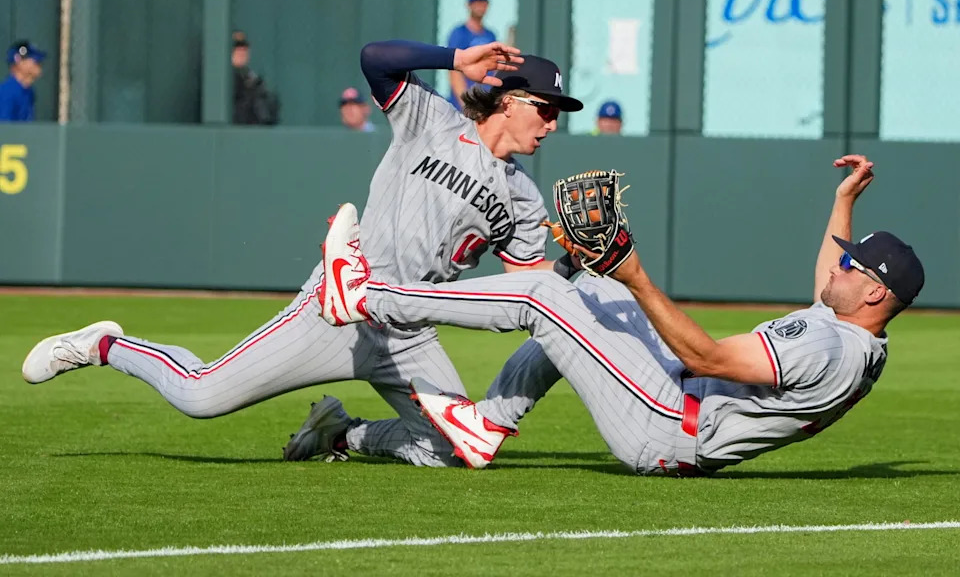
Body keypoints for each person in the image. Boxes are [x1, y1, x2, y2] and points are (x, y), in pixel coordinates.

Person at [21, 38, 585, 468]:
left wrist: (574, 265)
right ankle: (104, 344)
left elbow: (524, 289)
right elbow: (375, 58)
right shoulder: (433, 121)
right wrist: (455, 56)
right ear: (510, 101)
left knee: (460, 450)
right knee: (201, 395)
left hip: (411, 336)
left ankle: (339, 432)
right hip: (338, 311)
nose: (554, 121)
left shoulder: (523, 195)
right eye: (547, 106)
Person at [317, 155, 925, 475]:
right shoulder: (850, 329)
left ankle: (363, 296)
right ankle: (479, 426)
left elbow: (704, 357)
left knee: (544, 298)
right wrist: (842, 204)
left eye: (855, 268)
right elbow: (829, 282)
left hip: (668, 426)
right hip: (676, 402)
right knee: (593, 291)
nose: (839, 268)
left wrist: (636, 274)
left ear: (875, 295)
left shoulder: (829, 350)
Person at [446, 0, 497, 111]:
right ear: (468, 5)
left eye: (483, 2)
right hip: (466, 104)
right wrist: (465, 104)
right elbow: (454, 71)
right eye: (476, 2)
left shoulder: (490, 35)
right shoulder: (459, 33)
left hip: (485, 102)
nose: (479, 6)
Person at [231, 31, 279, 125]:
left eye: (244, 50)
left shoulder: (249, 75)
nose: (241, 53)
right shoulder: (226, 77)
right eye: (237, 50)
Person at [0, 40, 46, 122]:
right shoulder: (7, 91)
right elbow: (4, 130)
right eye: (34, 59)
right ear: (20, 62)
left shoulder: (29, 91)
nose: (38, 63)